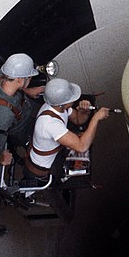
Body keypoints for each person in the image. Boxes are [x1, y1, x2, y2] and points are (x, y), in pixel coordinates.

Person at [24, 78, 110, 220]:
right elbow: (82, 146)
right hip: (43, 169)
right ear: (62, 103)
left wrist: (84, 111)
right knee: (74, 179)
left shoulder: (57, 107)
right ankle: (65, 211)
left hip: (49, 157)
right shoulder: (50, 123)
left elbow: (77, 120)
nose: (75, 100)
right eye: (72, 98)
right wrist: (95, 119)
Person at [0, 53, 45, 166]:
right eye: (29, 78)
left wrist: (28, 91)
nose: (30, 80)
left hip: (25, 107)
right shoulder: (3, 117)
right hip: (21, 129)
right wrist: (1, 157)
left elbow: (14, 85)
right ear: (19, 79)